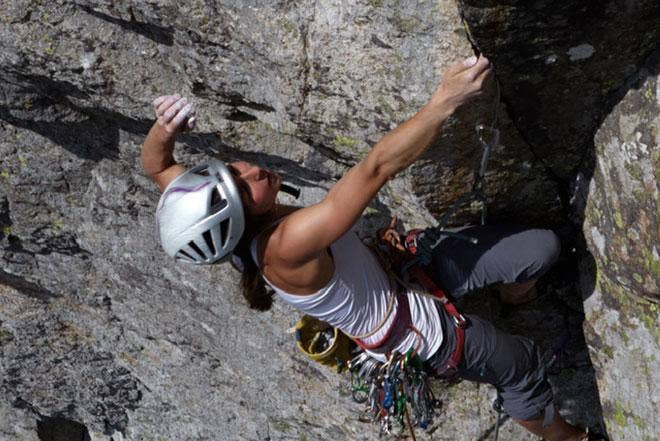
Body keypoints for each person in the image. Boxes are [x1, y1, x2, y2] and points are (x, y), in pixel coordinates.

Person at [141, 55, 596, 441]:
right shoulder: (286, 246)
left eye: (233, 170)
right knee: (520, 368)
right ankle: (566, 438)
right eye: (245, 190)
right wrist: (445, 101)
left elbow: (157, 164)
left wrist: (166, 126)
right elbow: (374, 170)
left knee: (542, 247)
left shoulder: (221, 224)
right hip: (423, 336)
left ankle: (513, 296)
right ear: (242, 221)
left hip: (404, 270)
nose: (253, 174)